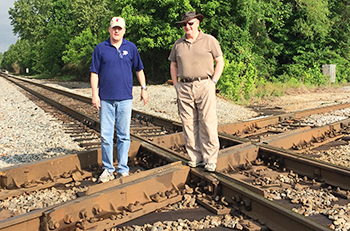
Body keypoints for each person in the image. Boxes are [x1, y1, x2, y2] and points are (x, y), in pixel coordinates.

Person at [90, 17, 148, 183]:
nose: (116, 31)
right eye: (114, 28)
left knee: (123, 135)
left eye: (119, 28)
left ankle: (123, 169)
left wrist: (144, 88)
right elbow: (94, 73)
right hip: (106, 99)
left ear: (124, 30)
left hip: (125, 99)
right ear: (109, 29)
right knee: (106, 136)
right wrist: (95, 93)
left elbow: (139, 69)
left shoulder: (131, 48)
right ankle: (108, 169)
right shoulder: (100, 49)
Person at [168, 11, 224, 172]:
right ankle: (195, 157)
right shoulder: (178, 44)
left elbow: (220, 61)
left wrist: (213, 81)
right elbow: (173, 65)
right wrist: (176, 85)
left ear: (198, 23)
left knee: (207, 121)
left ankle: (210, 159)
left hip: (204, 84)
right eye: (184, 24)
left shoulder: (209, 40)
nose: (187, 27)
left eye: (190, 23)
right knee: (188, 123)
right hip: (184, 86)